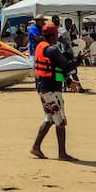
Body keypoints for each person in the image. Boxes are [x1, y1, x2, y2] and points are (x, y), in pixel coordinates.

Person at [30, 23, 78, 161]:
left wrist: (68, 81)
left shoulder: (40, 47)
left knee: (49, 118)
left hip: (42, 89)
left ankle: (36, 147)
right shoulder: (52, 50)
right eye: (57, 34)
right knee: (60, 120)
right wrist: (79, 60)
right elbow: (67, 66)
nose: (58, 36)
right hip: (51, 90)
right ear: (52, 36)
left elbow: (57, 69)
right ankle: (62, 153)